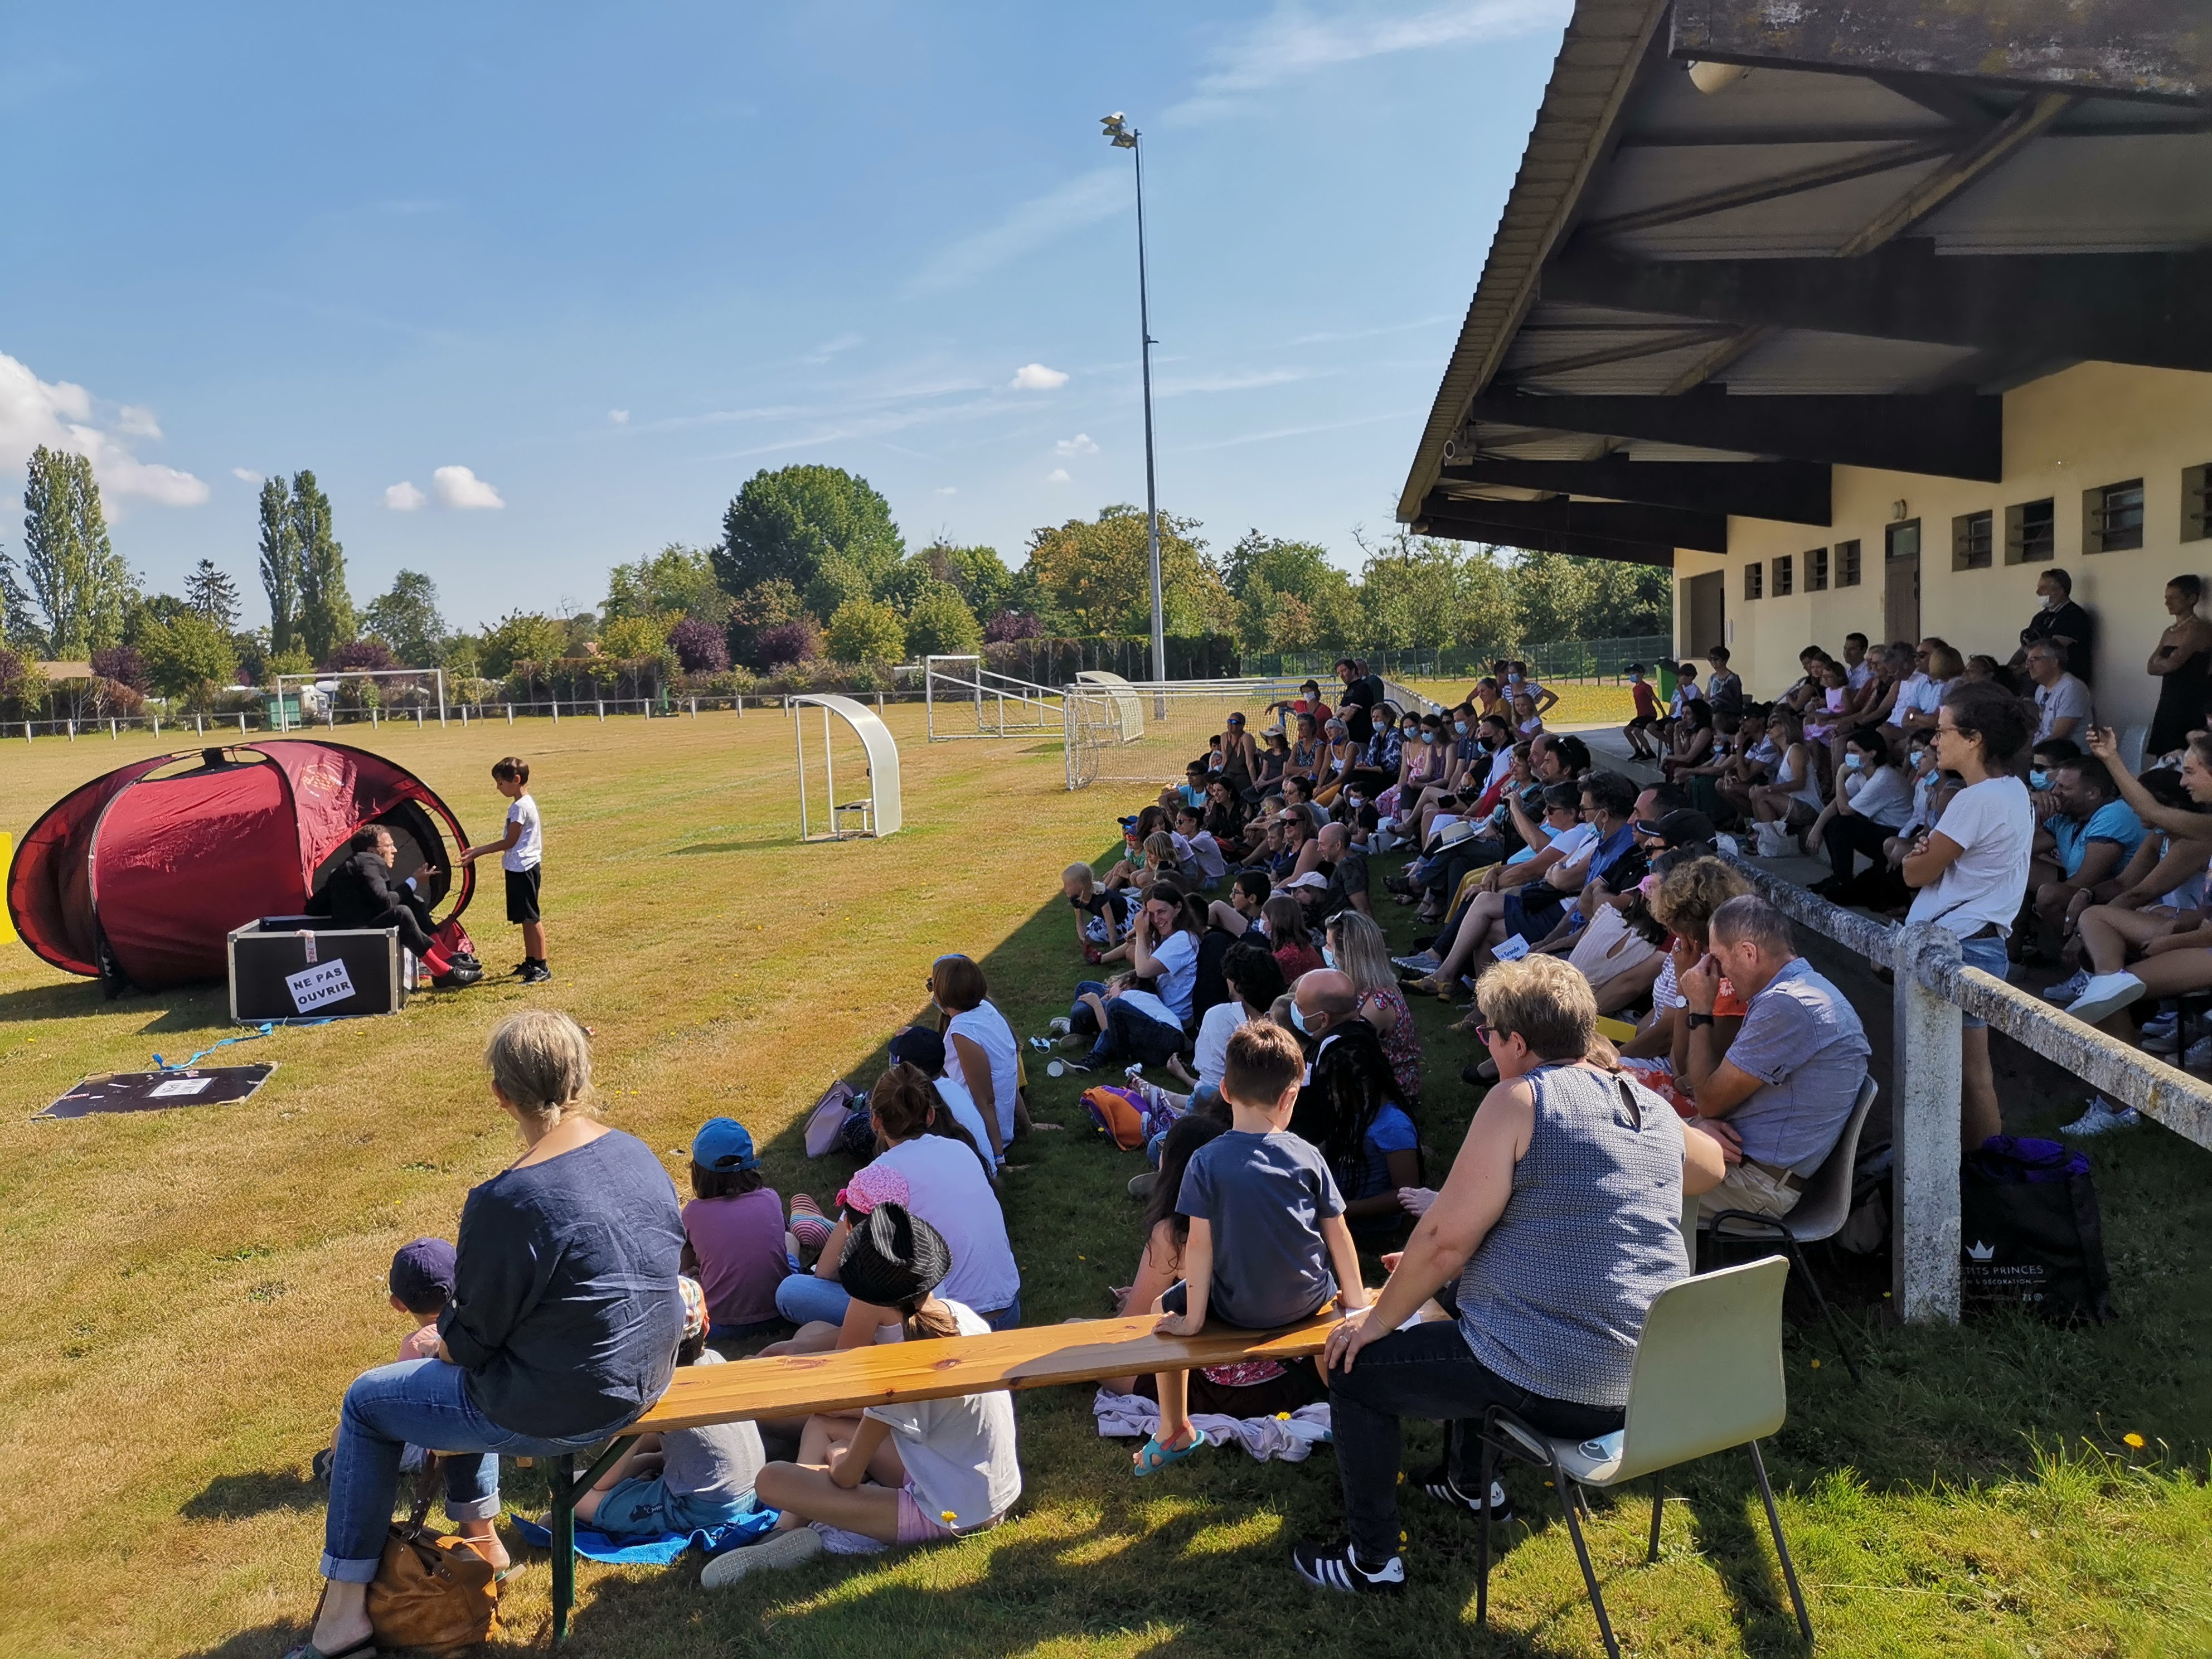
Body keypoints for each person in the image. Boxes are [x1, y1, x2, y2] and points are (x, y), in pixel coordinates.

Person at [1295, 954, 1725, 1595]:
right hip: (1644, 1384)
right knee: (1472, 1304)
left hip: (1555, 1382)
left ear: (1516, 1043)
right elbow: (1710, 1168)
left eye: (1486, 1035)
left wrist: (1374, 1323)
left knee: (1354, 1370)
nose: (1485, 1047)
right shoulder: (1645, 1106)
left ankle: (1372, 1562)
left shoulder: (1518, 1099)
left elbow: (1442, 1242)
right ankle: (1471, 1484)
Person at [283, 1012, 683, 1659]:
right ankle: (483, 1540)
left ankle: (344, 1616)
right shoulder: (634, 1153)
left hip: (572, 1406)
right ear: (582, 1075)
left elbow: (469, 1344)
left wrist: (440, 1342)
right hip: (648, 1375)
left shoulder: (508, 1201)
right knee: (455, 1379)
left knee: (368, 1402)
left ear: (500, 1094)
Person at [717, 1205, 1021, 1583]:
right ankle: (791, 1531)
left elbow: (846, 1476)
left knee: (773, 1480)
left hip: (949, 1515)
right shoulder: (964, 1318)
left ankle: (784, 1533)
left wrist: (839, 1455)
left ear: (871, 1298)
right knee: (824, 1427)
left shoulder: (895, 1373)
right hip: (987, 1488)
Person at [1134, 1021, 1369, 1476]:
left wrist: (1194, 1319)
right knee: (1327, 1292)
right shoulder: (1307, 1155)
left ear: (1224, 1090)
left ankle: (1174, 1427)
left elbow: (1199, 1246)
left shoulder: (1204, 1161)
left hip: (1236, 1308)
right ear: (1290, 1097)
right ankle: (1341, 1410)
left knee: (1162, 1308)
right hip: (1308, 1301)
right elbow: (1338, 1232)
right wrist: (1355, 1303)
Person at [1103, 1114, 1328, 1414]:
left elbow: (1131, 1325)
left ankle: (1174, 1426)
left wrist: (1134, 1304)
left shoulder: (1173, 1235)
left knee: (1077, 1334)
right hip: (1290, 1379)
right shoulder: (1260, 1220)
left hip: (1215, 1391)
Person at [774, 1064, 1020, 1336]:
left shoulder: (881, 1176)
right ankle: (827, 1231)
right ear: (930, 1115)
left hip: (944, 1324)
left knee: (792, 1291)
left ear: (875, 1121)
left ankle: (815, 1239)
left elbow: (826, 1271)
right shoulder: (961, 1149)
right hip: (1007, 1310)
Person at [2054, 727, 2212, 1129]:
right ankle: (2108, 981)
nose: (2182, 781)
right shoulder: (2206, 826)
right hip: (2200, 938)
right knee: (2096, 917)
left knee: (2107, 1003)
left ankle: (2122, 1107)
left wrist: (2173, 939)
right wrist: (2110, 758)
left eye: (2190, 771)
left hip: (2205, 946)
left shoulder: (2202, 834)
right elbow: (2152, 813)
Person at [1675, 896, 1871, 1219]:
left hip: (1752, 1185)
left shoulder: (1789, 1005)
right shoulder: (1795, 992)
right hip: (1746, 1167)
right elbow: (1705, 1097)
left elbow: (1708, 1101)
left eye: (1718, 960)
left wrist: (1699, 1007)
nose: (1718, 974)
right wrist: (1697, 1126)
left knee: (1614, 1172)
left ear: (1748, 953)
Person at [576, 1277, 767, 1538]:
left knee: (574, 1492)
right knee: (641, 1447)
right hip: (751, 1488)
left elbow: (602, 1479)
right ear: (706, 1325)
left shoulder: (655, 1391)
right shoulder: (716, 1361)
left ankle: (651, 1474)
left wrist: (641, 1458)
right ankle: (655, 1465)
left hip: (705, 1509)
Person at [1289, 969, 1420, 1238]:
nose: (1331, 1098)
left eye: (1335, 1091)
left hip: (1367, 1222)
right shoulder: (1354, 1112)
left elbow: (1408, 1194)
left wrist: (1344, 1210)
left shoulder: (1392, 1126)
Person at [308, 825, 481, 988]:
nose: (395, 850)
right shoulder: (368, 861)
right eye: (389, 846)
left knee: (413, 901)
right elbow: (386, 902)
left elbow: (314, 908)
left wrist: (348, 899)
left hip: (357, 930)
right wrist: (413, 881)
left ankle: (447, 959)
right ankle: (442, 973)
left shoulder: (351, 866)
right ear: (372, 850)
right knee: (401, 913)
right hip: (356, 936)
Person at [2027, 756, 2147, 958]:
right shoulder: (2067, 814)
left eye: (2064, 788)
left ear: (2093, 793)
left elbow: (2085, 882)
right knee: (2016, 869)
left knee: (2049, 896)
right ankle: (2014, 956)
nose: (2055, 792)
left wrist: (2039, 905)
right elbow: (2018, 851)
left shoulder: (2114, 814)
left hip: (2114, 898)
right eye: (2056, 785)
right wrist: (2029, 805)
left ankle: (2081, 961)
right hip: (2082, 889)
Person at [681, 1118, 789, 1340]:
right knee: (791, 1245)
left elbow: (682, 1264)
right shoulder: (770, 1198)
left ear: (698, 1172)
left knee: (685, 1278)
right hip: (778, 1314)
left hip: (718, 1322)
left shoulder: (693, 1212)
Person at [457, 755, 549, 983]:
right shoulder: (523, 804)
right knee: (524, 918)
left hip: (524, 868)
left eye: (500, 783)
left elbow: (510, 842)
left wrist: (479, 851)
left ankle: (541, 966)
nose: (498, 788)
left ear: (516, 780)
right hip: (519, 867)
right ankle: (531, 961)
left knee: (531, 918)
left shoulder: (520, 807)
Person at [929, 953, 1022, 1163]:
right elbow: (1010, 1074)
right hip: (999, 1128)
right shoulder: (986, 1010)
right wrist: (1028, 1126)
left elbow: (984, 1100)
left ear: (943, 992)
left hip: (979, 1137)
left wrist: (998, 1160)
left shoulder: (963, 1030)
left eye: (933, 985)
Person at [1807, 726, 1916, 901]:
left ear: (1872, 753)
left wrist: (1839, 776)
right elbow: (1836, 804)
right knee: (1832, 822)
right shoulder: (1861, 773)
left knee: (1839, 824)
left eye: (1854, 752)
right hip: (1881, 829)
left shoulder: (1883, 777)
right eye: (1848, 751)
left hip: (1898, 835)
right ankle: (1839, 877)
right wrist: (1817, 829)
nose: (1849, 756)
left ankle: (1842, 880)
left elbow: (1844, 810)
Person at [1328, 909, 1421, 1105]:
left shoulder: (1377, 1005)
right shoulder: (1369, 988)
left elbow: (1343, 1051)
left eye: (1330, 946)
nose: (1326, 951)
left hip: (1390, 1091)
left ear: (1348, 956)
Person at [2146, 574, 2212, 758]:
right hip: (2168, 701)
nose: (2167, 603)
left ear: (2192, 599)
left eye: (2173, 598)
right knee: (2164, 757)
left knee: (2188, 757)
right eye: (2166, 598)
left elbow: (2174, 663)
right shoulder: (2170, 631)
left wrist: (2164, 662)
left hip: (2192, 702)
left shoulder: (2199, 628)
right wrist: (2165, 663)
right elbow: (2151, 667)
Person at [2013, 565, 2095, 685]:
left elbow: (2052, 651)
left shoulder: (2073, 615)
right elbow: (2027, 647)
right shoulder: (2040, 617)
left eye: (2043, 588)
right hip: (2041, 680)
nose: (2038, 592)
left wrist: (2022, 669)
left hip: (2065, 682)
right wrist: (2009, 668)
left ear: (2060, 590)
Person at [2026, 641, 2094, 746]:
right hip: (2044, 750)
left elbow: (2058, 736)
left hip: (2068, 754)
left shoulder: (2072, 688)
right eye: (2028, 661)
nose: (2028, 666)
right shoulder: (2041, 689)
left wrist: (2030, 751)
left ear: (2054, 661)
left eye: (2034, 660)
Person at [1622, 663, 1662, 760]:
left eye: (1633, 673)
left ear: (1640, 673)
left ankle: (1649, 752)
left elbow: (1655, 699)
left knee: (1637, 732)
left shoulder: (1646, 687)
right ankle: (1638, 751)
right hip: (1641, 716)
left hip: (1649, 715)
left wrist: (1664, 713)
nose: (1631, 675)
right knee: (1627, 731)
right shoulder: (1635, 689)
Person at [1705, 646, 1745, 734]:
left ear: (1724, 660)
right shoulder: (1712, 678)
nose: (1713, 662)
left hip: (1727, 713)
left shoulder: (1732, 678)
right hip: (1713, 711)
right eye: (1711, 659)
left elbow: (1736, 700)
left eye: (1716, 659)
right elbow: (1706, 697)